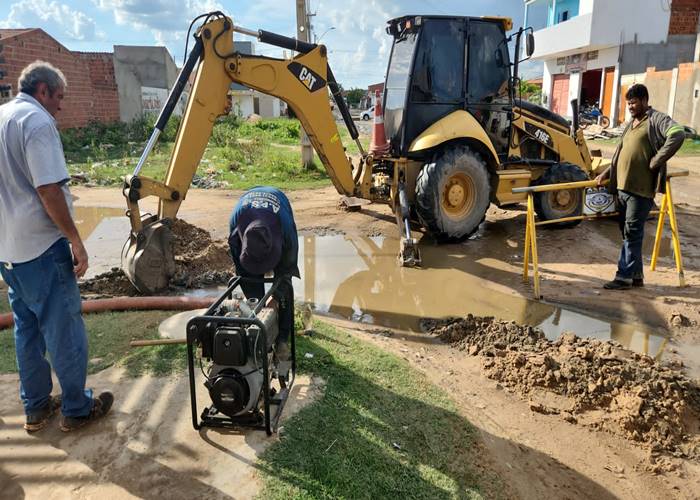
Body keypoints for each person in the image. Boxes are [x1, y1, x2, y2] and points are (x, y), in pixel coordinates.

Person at [0, 61, 113, 432]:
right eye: (59, 97)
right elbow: (48, 189)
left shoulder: (2, 117)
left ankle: (35, 408)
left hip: (8, 252)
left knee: (26, 327)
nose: (61, 106)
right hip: (41, 247)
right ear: (43, 90)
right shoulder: (36, 123)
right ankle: (76, 409)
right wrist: (75, 239)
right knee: (63, 328)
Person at [596, 84, 685, 290]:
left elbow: (678, 134)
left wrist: (656, 161)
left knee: (632, 232)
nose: (630, 106)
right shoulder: (631, 124)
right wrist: (606, 173)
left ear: (645, 100)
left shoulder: (656, 119)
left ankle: (623, 277)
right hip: (622, 188)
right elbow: (620, 154)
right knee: (629, 233)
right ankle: (636, 276)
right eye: (628, 103)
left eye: (634, 102)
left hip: (640, 190)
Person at [228, 186, 299, 376]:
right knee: (254, 296)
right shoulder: (235, 227)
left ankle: (283, 339)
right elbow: (240, 268)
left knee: (284, 290)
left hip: (278, 204)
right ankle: (260, 333)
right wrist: (259, 305)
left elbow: (287, 268)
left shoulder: (286, 230)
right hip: (246, 210)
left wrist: (275, 297)